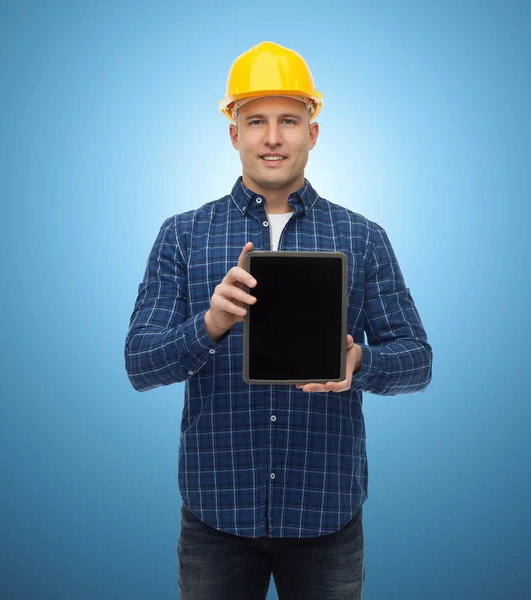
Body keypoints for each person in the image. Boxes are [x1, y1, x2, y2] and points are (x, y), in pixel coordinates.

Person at [125, 41, 432, 600]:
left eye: (289, 120)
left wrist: (361, 363)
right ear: (233, 133)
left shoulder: (362, 238)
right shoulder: (183, 235)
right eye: (256, 121)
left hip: (326, 516)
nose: (272, 137)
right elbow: (140, 363)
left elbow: (417, 361)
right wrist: (210, 323)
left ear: (312, 132)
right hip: (216, 515)